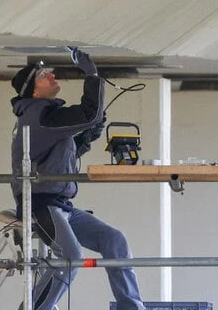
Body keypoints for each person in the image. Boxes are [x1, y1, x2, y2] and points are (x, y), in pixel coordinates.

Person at [9, 49, 145, 310]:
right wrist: (91, 74)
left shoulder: (41, 116)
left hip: (60, 205)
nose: (51, 75)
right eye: (43, 75)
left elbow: (58, 156)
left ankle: (132, 307)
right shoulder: (39, 115)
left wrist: (85, 136)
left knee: (114, 240)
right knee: (70, 257)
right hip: (41, 204)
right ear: (34, 91)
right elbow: (87, 114)